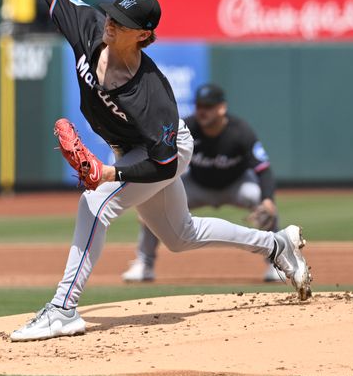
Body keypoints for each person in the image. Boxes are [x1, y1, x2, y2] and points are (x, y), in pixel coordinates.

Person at [10, 0, 312, 342]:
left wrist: (110, 174)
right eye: (113, 15)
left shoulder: (151, 94)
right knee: (181, 236)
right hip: (128, 149)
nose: (112, 24)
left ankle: (63, 309)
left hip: (164, 151)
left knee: (96, 202)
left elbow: (165, 164)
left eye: (123, 22)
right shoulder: (89, 27)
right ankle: (276, 245)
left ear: (143, 35)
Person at [121, 83, 285, 283]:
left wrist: (268, 199)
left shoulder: (240, 131)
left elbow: (263, 168)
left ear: (221, 108)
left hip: (236, 185)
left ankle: (277, 262)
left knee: (261, 201)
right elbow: (161, 162)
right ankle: (144, 264)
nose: (202, 111)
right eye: (199, 105)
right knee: (155, 208)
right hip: (197, 186)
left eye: (208, 106)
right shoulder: (187, 127)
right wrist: (149, 200)